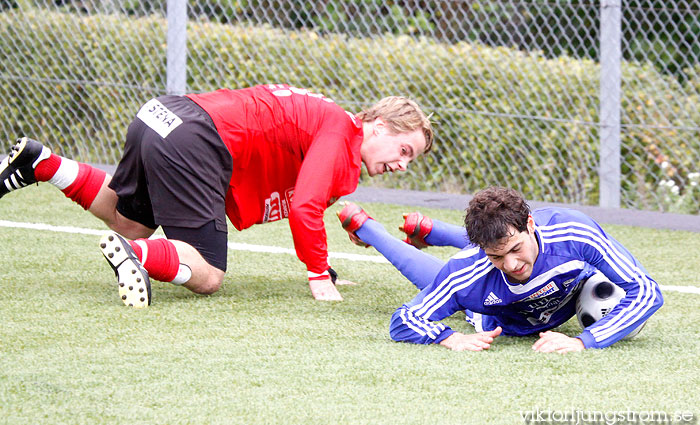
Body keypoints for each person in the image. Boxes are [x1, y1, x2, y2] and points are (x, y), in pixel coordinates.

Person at [0, 83, 433, 307]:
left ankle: (43, 163)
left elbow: (309, 190)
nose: (402, 164)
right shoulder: (341, 130)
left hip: (162, 115)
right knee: (208, 276)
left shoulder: (335, 128)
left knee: (127, 218)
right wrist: (319, 275)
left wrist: (340, 248)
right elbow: (303, 206)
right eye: (404, 150)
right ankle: (139, 254)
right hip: (196, 138)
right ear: (378, 127)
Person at [337, 186, 663, 353]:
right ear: (481, 251)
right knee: (442, 278)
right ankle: (367, 228)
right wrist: (449, 338)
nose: (511, 265)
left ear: (530, 224)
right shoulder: (469, 271)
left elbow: (646, 291)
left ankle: (433, 229)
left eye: (517, 249)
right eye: (496, 256)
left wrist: (584, 341)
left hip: (556, 284)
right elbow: (403, 321)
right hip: (499, 319)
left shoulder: (574, 234)